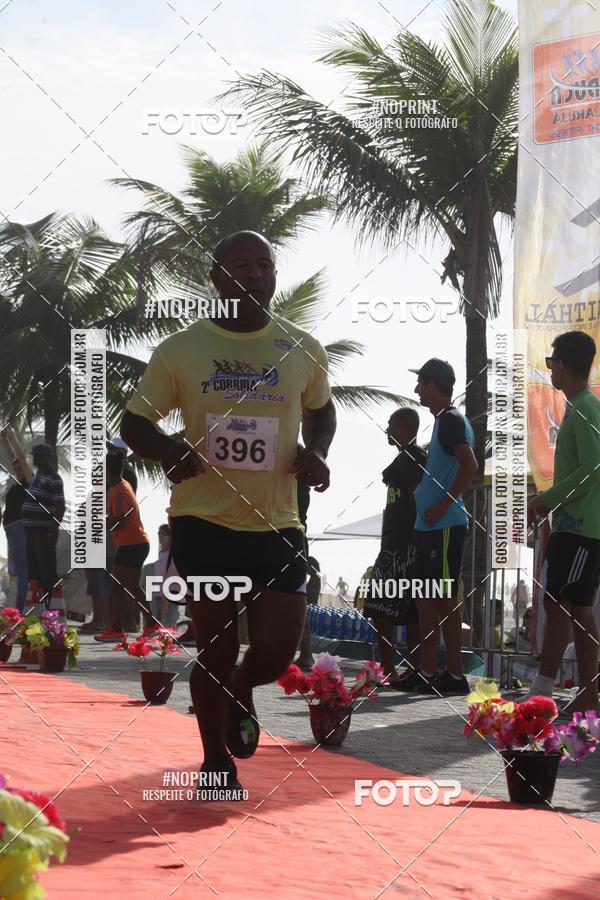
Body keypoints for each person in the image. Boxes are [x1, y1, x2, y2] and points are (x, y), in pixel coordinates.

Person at [120, 229, 336, 796]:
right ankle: (216, 759)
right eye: (240, 265)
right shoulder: (181, 350)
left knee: (277, 647)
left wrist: (317, 454)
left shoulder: (301, 346)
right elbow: (135, 421)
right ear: (216, 278)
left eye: (264, 264)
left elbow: (322, 410)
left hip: (278, 522)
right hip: (205, 523)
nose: (255, 274)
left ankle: (243, 684)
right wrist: (169, 450)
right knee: (214, 641)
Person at [526, 331, 600, 714]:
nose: (549, 368)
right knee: (579, 609)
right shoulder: (578, 406)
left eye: (551, 361)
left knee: (559, 605)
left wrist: (547, 498)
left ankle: (543, 689)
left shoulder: (587, 407)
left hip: (581, 527)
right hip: (576, 525)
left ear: (564, 364)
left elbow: (592, 469)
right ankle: (589, 698)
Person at [405, 358, 478, 695]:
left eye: (420, 382)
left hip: (445, 524)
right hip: (430, 527)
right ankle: (429, 670)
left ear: (433, 384)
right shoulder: (443, 422)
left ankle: (455, 675)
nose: (417, 388)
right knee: (426, 599)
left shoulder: (449, 419)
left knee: (445, 599)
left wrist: (442, 504)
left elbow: (470, 466)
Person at [362, 408, 427, 687]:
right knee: (410, 611)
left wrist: (415, 536)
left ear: (403, 426)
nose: (387, 429)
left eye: (391, 424)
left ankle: (391, 669)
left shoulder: (411, 458)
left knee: (380, 606)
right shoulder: (409, 457)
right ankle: (413, 669)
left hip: (400, 546)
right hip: (404, 544)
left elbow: (415, 498)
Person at [94, 453, 150, 641]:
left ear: (107, 469)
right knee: (132, 586)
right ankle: (152, 624)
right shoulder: (119, 487)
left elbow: (121, 522)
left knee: (118, 585)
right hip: (136, 543)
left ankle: (116, 629)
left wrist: (103, 523)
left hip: (132, 544)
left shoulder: (118, 490)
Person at [21, 444, 65, 608]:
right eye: (34, 455)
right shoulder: (37, 476)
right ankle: (37, 608)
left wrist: (51, 530)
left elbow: (60, 506)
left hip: (43, 532)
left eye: (39, 455)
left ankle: (52, 607)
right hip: (31, 532)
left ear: (47, 458)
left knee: (47, 571)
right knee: (34, 572)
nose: (35, 458)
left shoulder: (54, 478)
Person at [2, 460, 29, 613]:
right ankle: (17, 607)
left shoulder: (29, 485)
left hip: (19, 529)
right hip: (10, 531)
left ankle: (20, 608)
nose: (18, 470)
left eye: (21, 467)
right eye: (16, 468)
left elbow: (16, 454)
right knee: (14, 570)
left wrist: (8, 438)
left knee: (21, 571)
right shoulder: (15, 486)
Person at [296, 556, 321, 669]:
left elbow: (312, 593)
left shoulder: (315, 578)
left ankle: (305, 655)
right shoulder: (313, 578)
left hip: (310, 606)